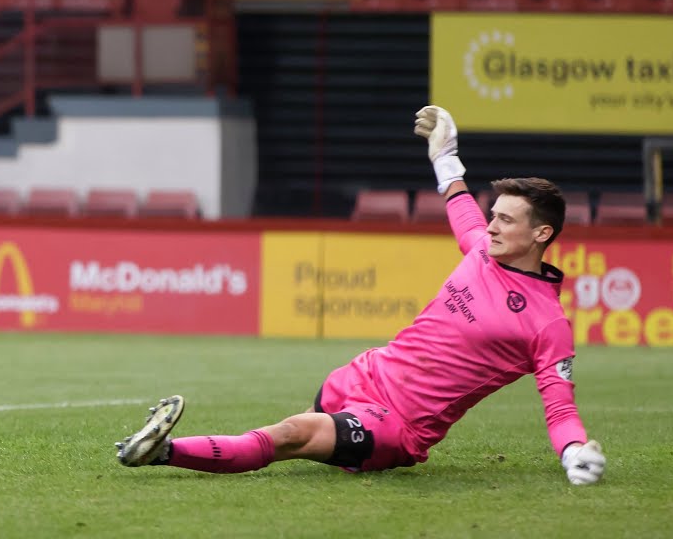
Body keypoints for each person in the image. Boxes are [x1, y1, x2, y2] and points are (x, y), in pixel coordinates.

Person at [114, 106, 607, 487]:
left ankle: (159, 451)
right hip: (360, 376)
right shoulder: (481, 249)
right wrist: (445, 151)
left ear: (542, 233)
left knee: (290, 434)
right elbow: (459, 203)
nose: (492, 225)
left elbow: (559, 406)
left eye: (506, 219)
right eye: (493, 215)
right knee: (306, 430)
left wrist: (573, 452)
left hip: (396, 425)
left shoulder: (546, 323)